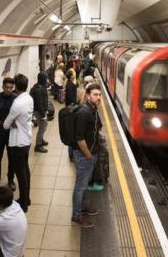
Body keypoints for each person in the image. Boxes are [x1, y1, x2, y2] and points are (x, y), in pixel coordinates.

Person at [71, 84, 103, 228]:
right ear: (88, 95)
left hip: (90, 154)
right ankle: (76, 217)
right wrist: (89, 155)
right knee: (80, 187)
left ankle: (84, 207)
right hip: (84, 155)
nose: (98, 97)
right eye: (95, 94)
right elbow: (79, 138)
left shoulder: (92, 109)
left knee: (84, 185)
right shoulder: (84, 112)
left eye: (99, 95)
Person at [3, 74, 33, 212]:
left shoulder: (17, 103)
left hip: (17, 143)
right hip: (26, 140)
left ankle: (23, 203)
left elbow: (5, 124)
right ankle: (27, 198)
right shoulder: (29, 98)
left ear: (15, 86)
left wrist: (12, 122)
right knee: (25, 171)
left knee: (20, 174)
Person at [30, 72, 49, 153]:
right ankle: (38, 145)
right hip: (39, 111)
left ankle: (41, 140)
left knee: (44, 125)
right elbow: (39, 103)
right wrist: (43, 114)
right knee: (42, 128)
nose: (47, 80)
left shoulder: (38, 86)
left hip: (40, 110)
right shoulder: (38, 89)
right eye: (46, 78)